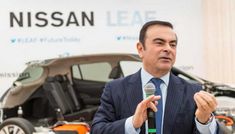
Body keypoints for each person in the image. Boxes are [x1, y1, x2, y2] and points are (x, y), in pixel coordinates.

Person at [91, 20, 221, 134]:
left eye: (173, 44)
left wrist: (204, 121)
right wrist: (133, 123)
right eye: (159, 43)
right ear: (141, 49)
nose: (168, 49)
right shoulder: (115, 89)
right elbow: (97, 130)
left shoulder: (193, 91)